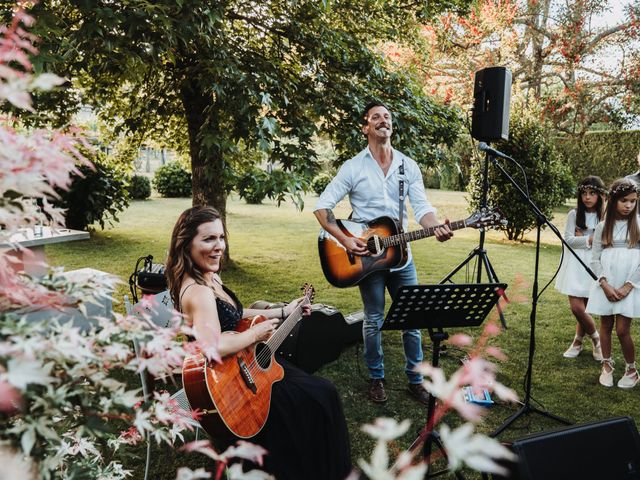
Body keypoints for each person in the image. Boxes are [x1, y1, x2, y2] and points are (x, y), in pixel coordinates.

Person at [166, 206, 351, 479]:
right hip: (233, 387)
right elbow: (212, 347)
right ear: (186, 243)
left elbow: (233, 313)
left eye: (221, 237)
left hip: (247, 365)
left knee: (319, 393)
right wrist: (255, 335)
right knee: (321, 396)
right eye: (208, 239)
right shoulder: (198, 292)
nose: (219, 247)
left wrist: (284, 311)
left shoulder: (210, 276)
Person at [314, 101, 453, 405]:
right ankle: (377, 378)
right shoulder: (353, 166)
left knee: (412, 319)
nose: (383, 120)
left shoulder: (408, 165)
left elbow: (423, 209)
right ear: (365, 127)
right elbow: (322, 207)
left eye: (387, 117)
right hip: (367, 257)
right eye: (375, 117)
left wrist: (435, 226)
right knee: (374, 319)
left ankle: (415, 379)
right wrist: (346, 240)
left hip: (402, 257)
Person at [586, 178, 640, 389]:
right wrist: (604, 284)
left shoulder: (638, 225)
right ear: (614, 200)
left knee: (622, 330)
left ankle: (632, 370)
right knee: (606, 325)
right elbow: (594, 258)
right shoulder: (602, 226)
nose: (628, 205)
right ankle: (607, 365)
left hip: (630, 284)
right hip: (607, 283)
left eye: (633, 201)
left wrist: (628, 285)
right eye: (624, 200)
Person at [555, 176, 606, 360]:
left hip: (594, 263)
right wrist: (591, 239)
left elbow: (607, 242)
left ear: (600, 195)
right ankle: (597, 339)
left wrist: (583, 237)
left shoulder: (605, 216)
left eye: (592, 193)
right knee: (577, 307)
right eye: (584, 193)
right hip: (576, 263)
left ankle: (577, 341)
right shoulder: (574, 214)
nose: (587, 197)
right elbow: (568, 240)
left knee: (586, 306)